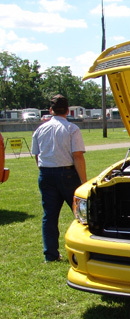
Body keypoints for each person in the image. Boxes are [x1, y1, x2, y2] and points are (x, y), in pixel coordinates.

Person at [31, 94, 87, 263]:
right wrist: (84, 182)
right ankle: (86, 249)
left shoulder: (40, 129)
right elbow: (77, 156)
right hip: (68, 174)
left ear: (50, 110)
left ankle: (50, 254)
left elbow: (36, 155)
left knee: (49, 216)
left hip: (46, 173)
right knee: (82, 214)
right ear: (68, 111)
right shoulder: (71, 129)